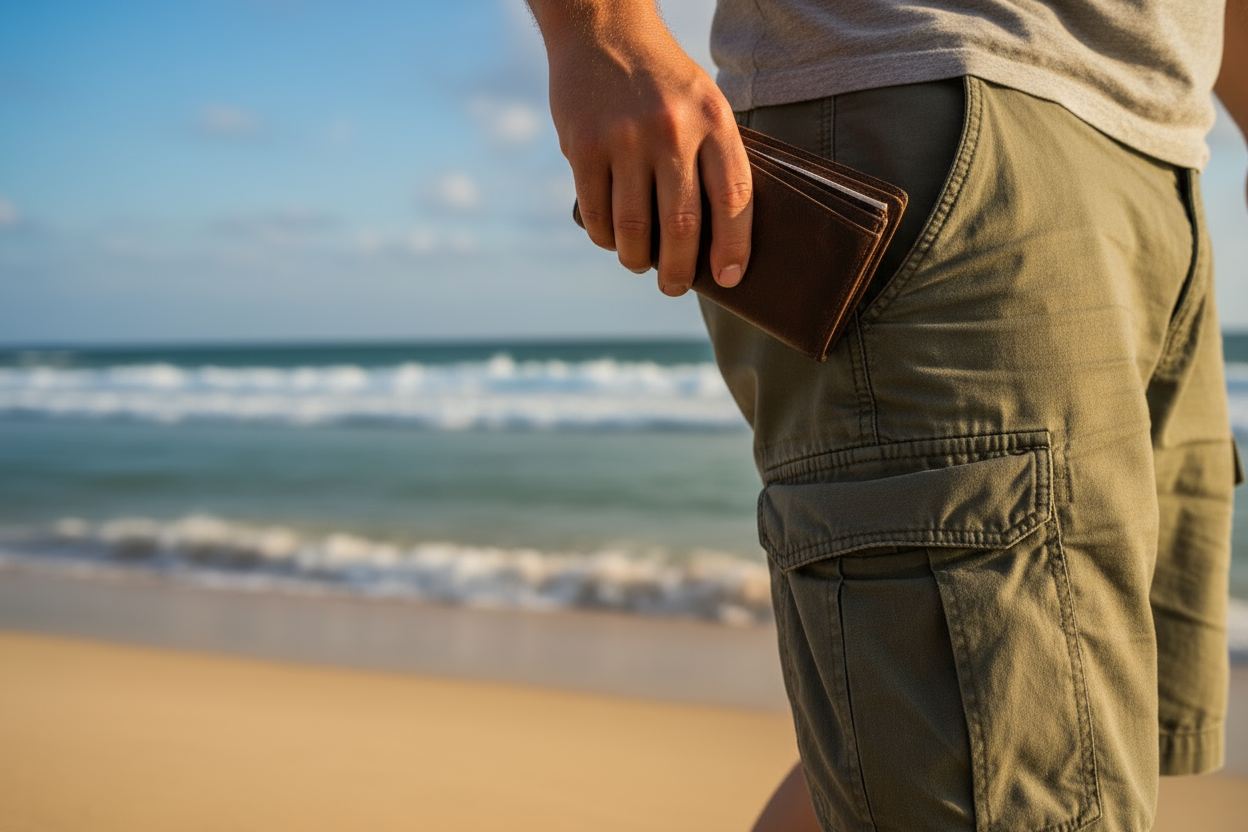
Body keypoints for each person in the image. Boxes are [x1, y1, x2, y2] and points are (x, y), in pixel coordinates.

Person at [524, 1, 1248, 829]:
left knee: (1025, 737)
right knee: (1017, 779)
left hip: (1166, 155)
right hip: (935, 107)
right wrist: (602, 35)